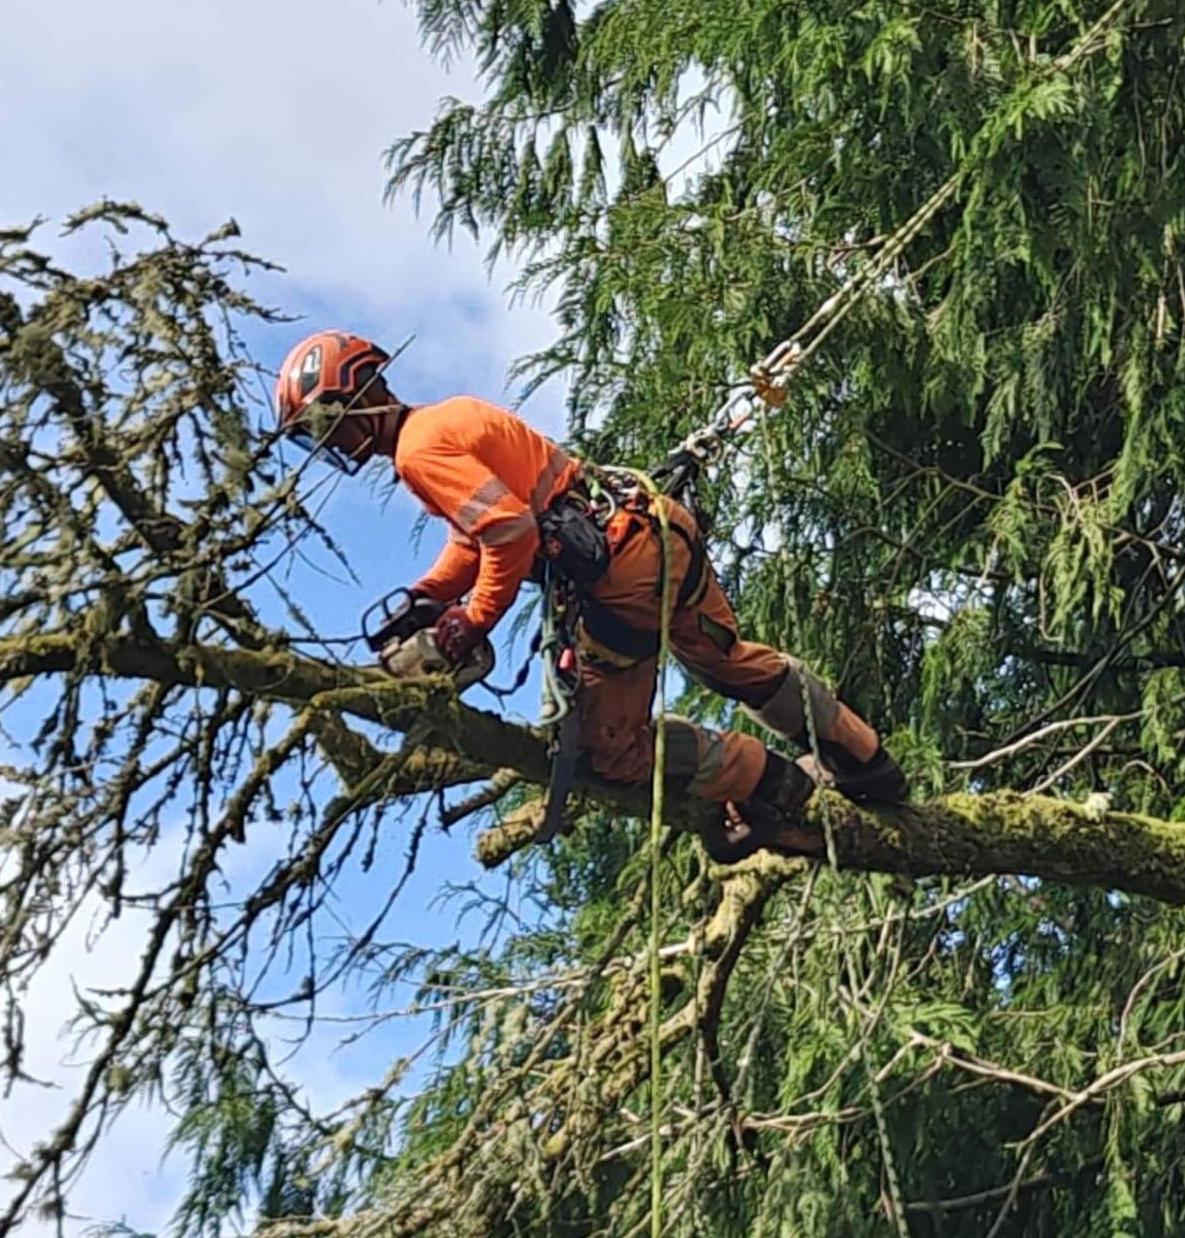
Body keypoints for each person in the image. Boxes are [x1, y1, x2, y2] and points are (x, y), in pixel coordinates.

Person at [272, 330, 909, 850]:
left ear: (350, 402)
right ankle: (866, 762)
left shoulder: (418, 454)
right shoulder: (446, 418)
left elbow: (510, 532)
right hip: (656, 533)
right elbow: (477, 536)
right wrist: (430, 594)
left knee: (609, 753)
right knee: (727, 660)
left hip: (622, 579)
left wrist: (472, 621)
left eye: (324, 428)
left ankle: (767, 784)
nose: (331, 445)